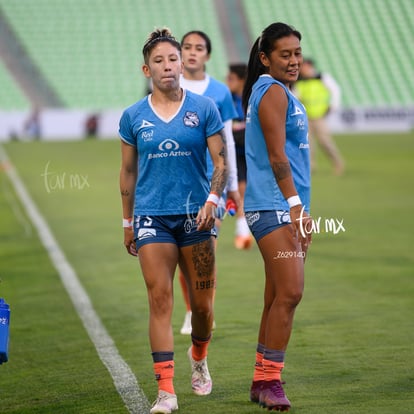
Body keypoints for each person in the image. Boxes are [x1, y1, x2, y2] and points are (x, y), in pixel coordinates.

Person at [119, 27, 228, 414]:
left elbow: (221, 161)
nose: (167, 66)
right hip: (152, 218)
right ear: (146, 70)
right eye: (158, 61)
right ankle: (166, 392)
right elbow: (128, 172)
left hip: (197, 219)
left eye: (173, 59)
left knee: (202, 308)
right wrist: (128, 222)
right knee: (159, 299)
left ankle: (198, 356)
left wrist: (213, 199)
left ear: (182, 63)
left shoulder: (204, 109)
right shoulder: (132, 116)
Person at [242, 22, 313, 411]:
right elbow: (276, 157)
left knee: (275, 296)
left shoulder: (279, 92)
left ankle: (260, 379)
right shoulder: (270, 91)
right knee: (290, 292)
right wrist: (296, 206)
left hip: (281, 205)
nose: (293, 60)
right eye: (285, 54)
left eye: (297, 53)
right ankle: (271, 381)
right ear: (265, 58)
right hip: (274, 207)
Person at [178, 30, 240, 335]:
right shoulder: (169, 87)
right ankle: (191, 311)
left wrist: (232, 186)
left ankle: (205, 310)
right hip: (177, 182)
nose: (192, 52)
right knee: (182, 258)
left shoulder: (219, 92)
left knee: (206, 253)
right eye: (186, 47)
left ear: (208, 55)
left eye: (198, 48)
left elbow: (227, 138)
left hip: (210, 183)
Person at [294, 58, 345, 175]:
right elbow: (296, 96)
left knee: (325, 141)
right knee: (307, 143)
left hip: (319, 116)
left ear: (310, 66)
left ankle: (337, 163)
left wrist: (333, 105)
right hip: (306, 116)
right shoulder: (299, 81)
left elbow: (335, 90)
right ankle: (310, 166)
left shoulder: (322, 77)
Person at [226, 63, 253, 250]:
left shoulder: (252, 99)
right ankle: (242, 232)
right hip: (235, 155)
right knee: (240, 191)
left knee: (252, 194)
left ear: (241, 80)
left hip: (254, 155)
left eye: (231, 79)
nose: (228, 82)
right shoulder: (227, 100)